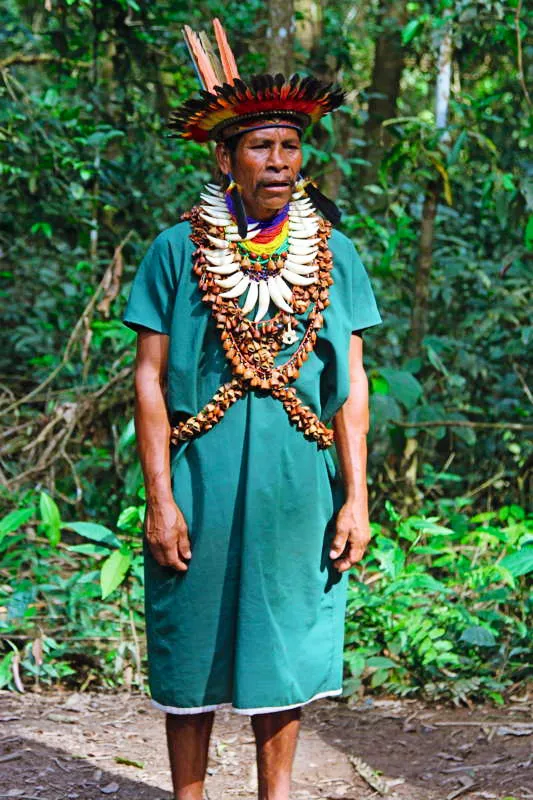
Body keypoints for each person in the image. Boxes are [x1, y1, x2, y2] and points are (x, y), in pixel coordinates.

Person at [123, 19, 382, 800]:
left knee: (286, 645)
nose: (279, 162)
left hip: (297, 482)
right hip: (198, 477)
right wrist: (160, 499)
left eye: (290, 148)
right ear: (224, 156)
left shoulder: (335, 253)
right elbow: (148, 377)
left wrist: (357, 498)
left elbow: (352, 385)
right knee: (190, 639)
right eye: (262, 148)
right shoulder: (177, 249)